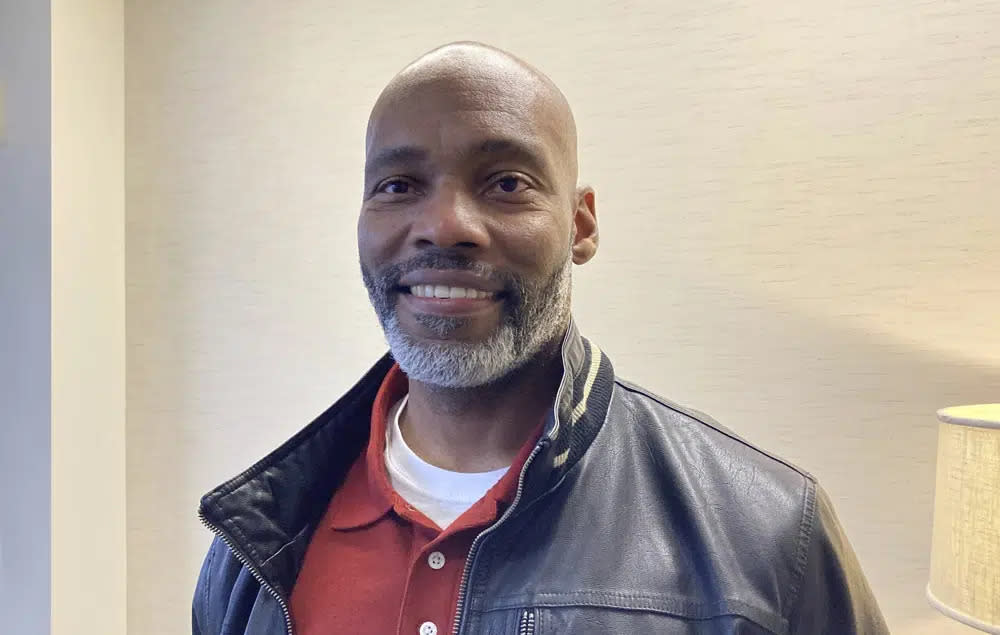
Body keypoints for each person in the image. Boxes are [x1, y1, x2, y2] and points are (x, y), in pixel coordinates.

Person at [193, 42, 888, 635]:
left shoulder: (768, 535)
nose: (444, 225)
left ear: (581, 224)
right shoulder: (257, 545)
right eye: (399, 184)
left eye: (505, 182)